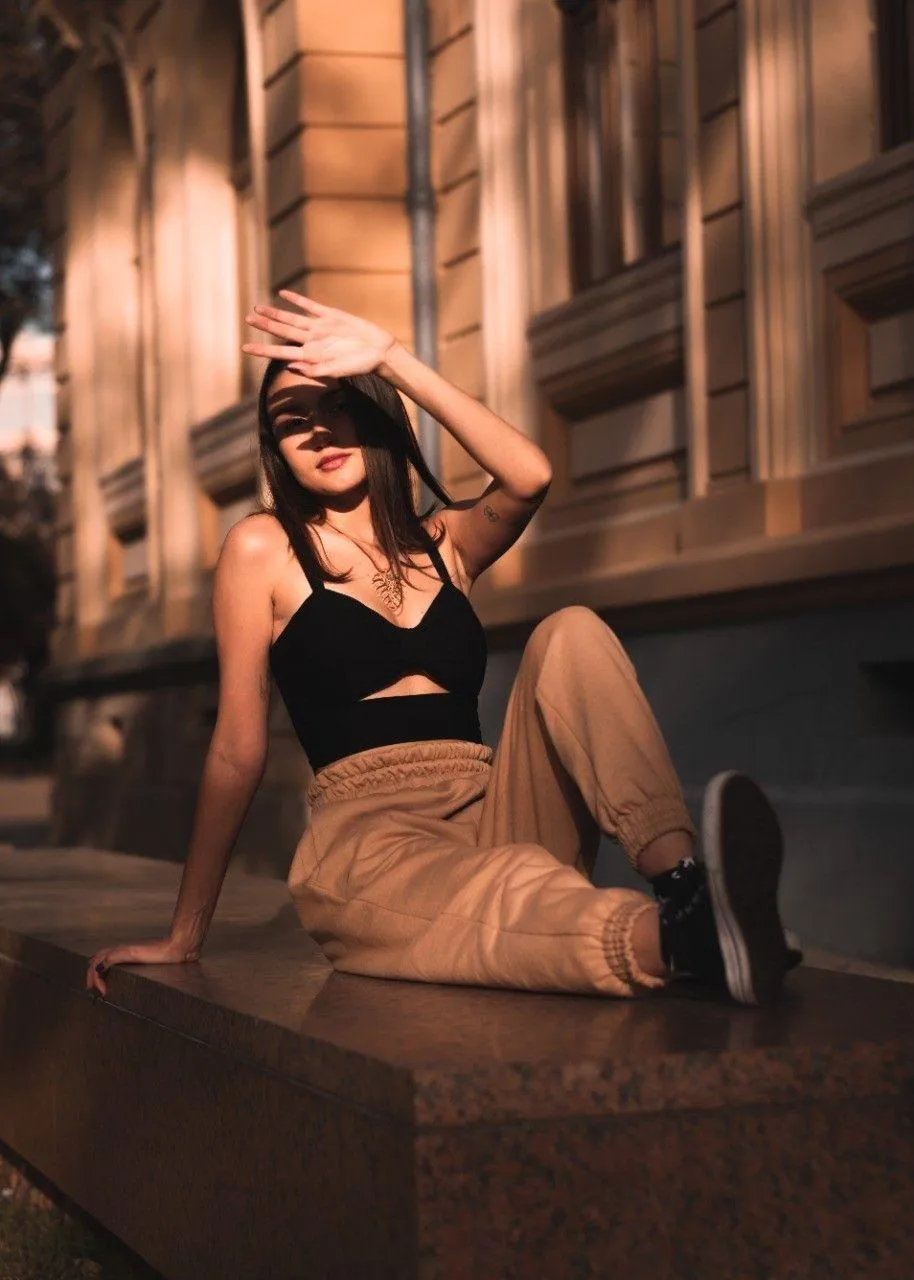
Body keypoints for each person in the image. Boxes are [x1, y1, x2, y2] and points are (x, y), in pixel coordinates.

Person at [86, 291, 795, 1006]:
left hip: (494, 812)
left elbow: (529, 475)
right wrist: (185, 935)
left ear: (375, 410)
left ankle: (684, 885)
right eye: (292, 421)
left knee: (572, 630)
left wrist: (392, 359)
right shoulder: (263, 549)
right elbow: (237, 751)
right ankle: (685, 941)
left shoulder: (446, 544)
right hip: (371, 852)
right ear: (276, 448)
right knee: (507, 893)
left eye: (339, 404)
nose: (320, 431)